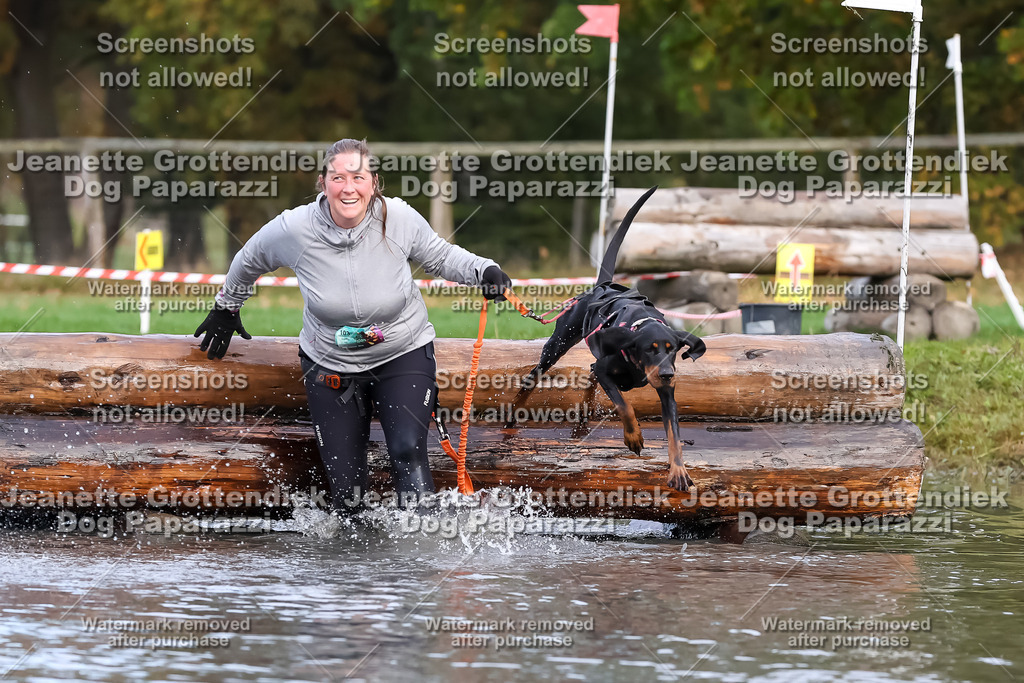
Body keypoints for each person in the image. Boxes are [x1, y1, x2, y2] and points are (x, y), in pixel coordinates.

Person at [193, 138, 511, 512]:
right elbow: (248, 259)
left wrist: (484, 271)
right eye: (338, 177)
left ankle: (423, 552)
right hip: (330, 362)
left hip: (401, 352)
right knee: (346, 489)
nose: (348, 188)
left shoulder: (399, 218)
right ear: (323, 183)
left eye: (358, 177)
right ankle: (353, 564)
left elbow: (441, 256)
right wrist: (227, 307)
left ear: (373, 183)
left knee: (408, 452)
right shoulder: (294, 229)